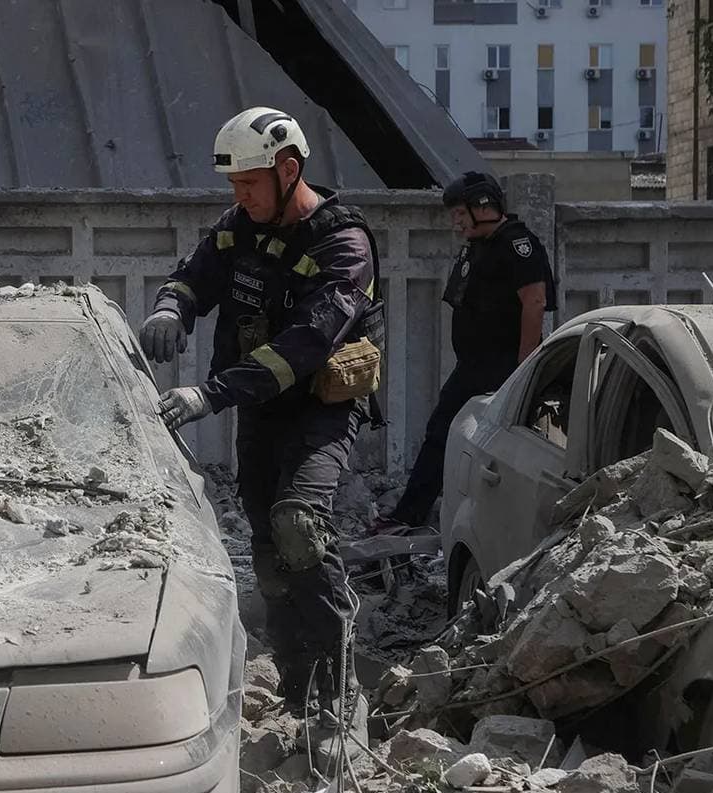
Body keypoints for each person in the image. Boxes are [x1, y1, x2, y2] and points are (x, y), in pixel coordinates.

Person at [139, 107, 386, 737]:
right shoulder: (239, 227)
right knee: (269, 545)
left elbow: (307, 343)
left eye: (249, 183)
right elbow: (194, 277)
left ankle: (342, 688)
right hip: (259, 405)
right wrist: (172, 308)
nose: (239, 196)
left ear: (289, 169)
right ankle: (297, 684)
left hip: (319, 410)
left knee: (300, 526)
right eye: (234, 186)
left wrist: (212, 394)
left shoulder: (344, 245)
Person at [382, 170, 553, 529]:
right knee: (446, 436)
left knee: (478, 442)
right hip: (475, 365)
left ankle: (414, 516)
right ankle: (412, 516)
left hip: (503, 367)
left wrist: (523, 370)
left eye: (461, 214)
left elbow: (534, 302)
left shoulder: (516, 244)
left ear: (483, 208)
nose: (456, 223)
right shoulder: (481, 247)